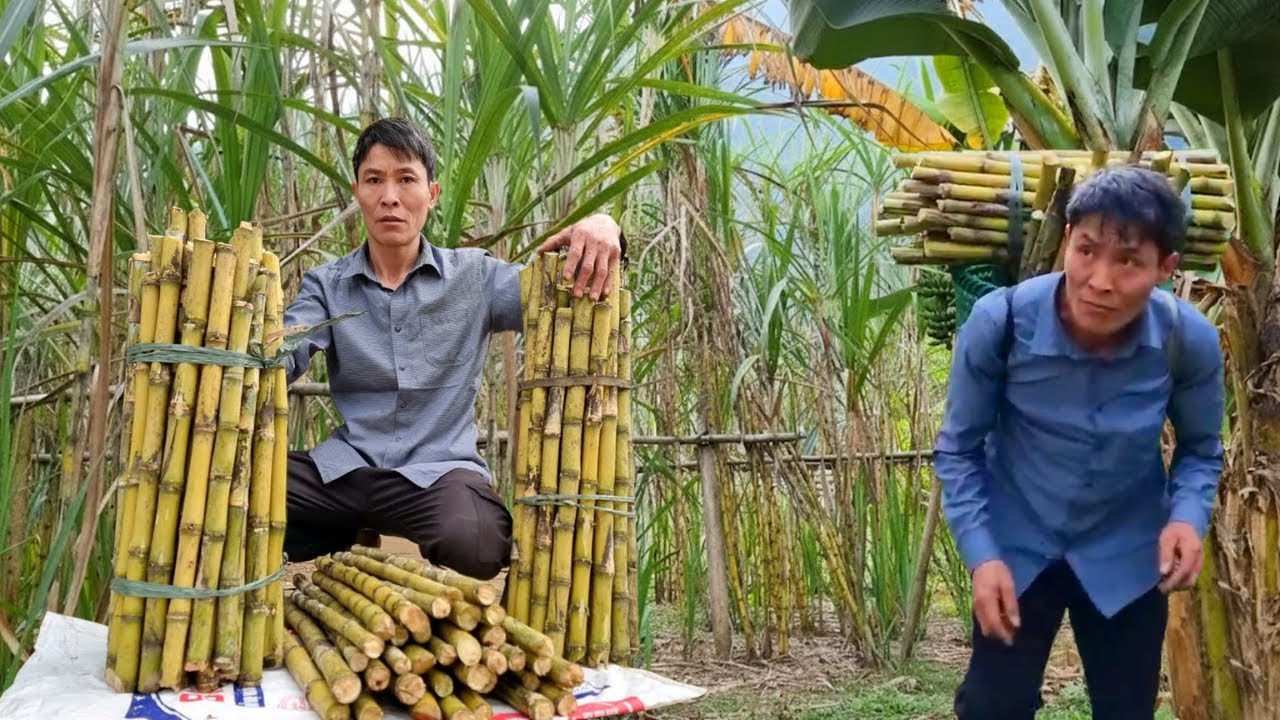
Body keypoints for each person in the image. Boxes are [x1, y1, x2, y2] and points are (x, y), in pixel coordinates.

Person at [934, 165, 1225, 720]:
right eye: (1087, 250)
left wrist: (1187, 518)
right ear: (1066, 240)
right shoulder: (1000, 322)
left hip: (1127, 551)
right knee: (995, 705)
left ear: (1166, 269)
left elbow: (1200, 449)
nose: (1100, 279)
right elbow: (958, 449)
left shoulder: (1188, 340)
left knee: (1126, 709)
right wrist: (982, 556)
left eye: (1129, 262)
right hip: (1016, 547)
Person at [279, 117, 625, 580]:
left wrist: (605, 227)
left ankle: (355, 528)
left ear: (432, 194)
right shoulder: (327, 284)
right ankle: (341, 527)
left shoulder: (473, 278)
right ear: (358, 192)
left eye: (406, 179)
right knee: (243, 489)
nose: (390, 197)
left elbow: (556, 291)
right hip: (347, 469)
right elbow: (284, 351)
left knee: (478, 542)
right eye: (374, 180)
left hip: (436, 472)